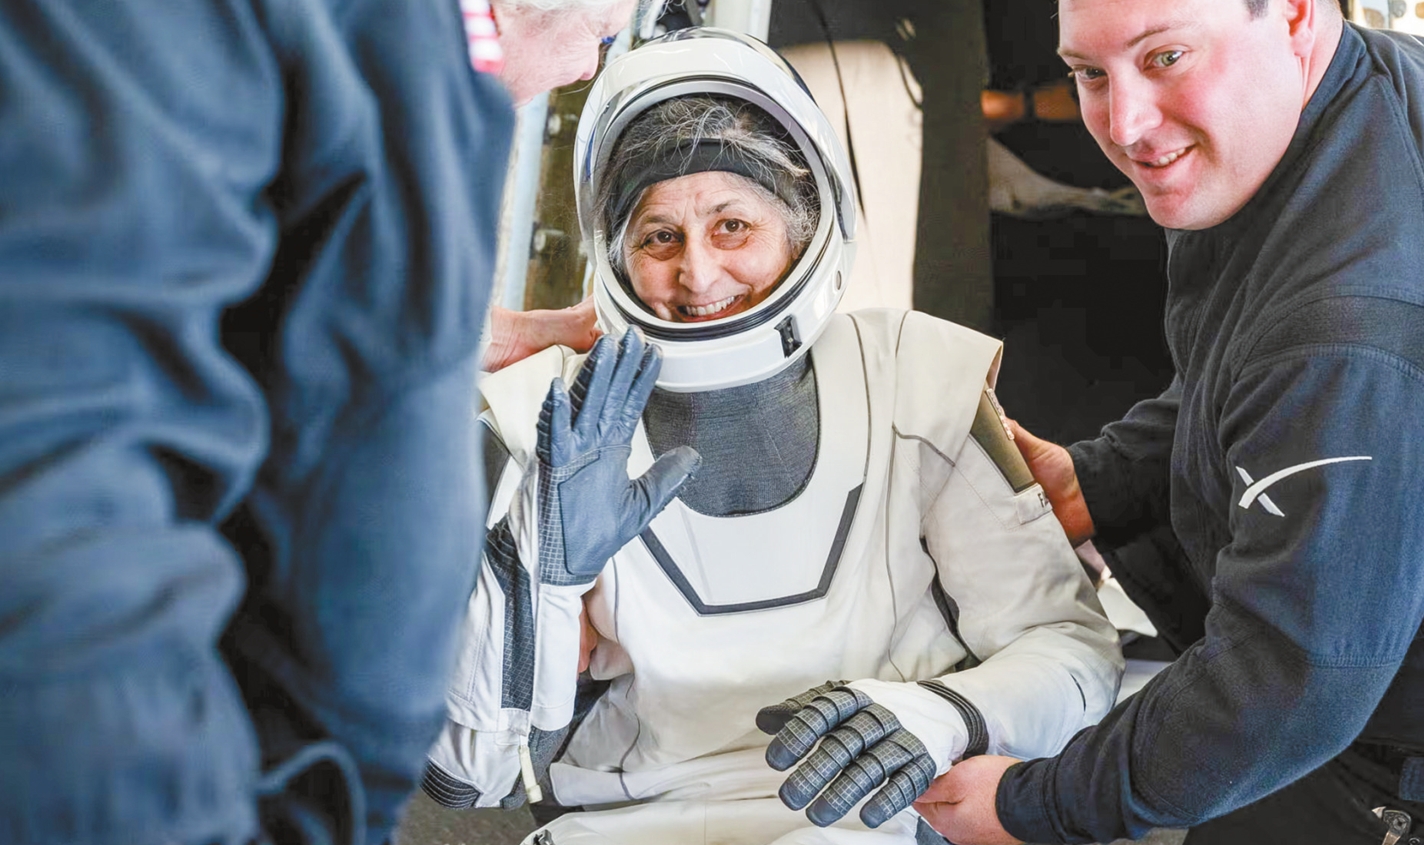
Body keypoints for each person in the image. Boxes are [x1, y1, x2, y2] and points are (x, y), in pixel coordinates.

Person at [422, 28, 1122, 845]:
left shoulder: (917, 378)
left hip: (877, 823)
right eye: (658, 236)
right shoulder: (545, 421)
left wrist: (946, 714)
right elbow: (469, 774)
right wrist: (539, 573)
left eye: (731, 226)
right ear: (613, 256)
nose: (697, 274)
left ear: (802, 227)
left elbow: (1070, 650)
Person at [0, 0, 631, 843]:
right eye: (602, 35)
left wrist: (525, 331)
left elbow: (300, 314)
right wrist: (164, 804)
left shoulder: (403, 69)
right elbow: (61, 461)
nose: (587, 68)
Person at [915, 0, 1424, 843]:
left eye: (1165, 58)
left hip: (1371, 766)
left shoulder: (1345, 330)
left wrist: (1033, 804)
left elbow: (1287, 677)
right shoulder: (1327, 109)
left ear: (1295, 13)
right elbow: (1252, 368)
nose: (1126, 127)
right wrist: (1097, 480)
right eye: (1088, 73)